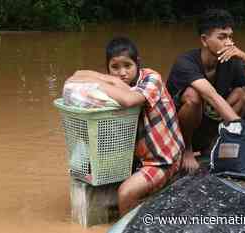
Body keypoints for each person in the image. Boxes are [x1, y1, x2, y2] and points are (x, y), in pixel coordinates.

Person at [66, 37, 185, 215]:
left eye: (127, 66)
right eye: (115, 67)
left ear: (138, 63)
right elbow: (75, 76)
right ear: (108, 68)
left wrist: (98, 83)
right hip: (136, 158)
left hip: (163, 160)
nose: (122, 73)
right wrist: (107, 80)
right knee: (90, 178)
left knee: (125, 193)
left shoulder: (152, 79)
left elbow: (129, 99)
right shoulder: (113, 84)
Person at [166, 9, 245, 174]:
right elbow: (211, 96)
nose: (229, 43)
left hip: (210, 127)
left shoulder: (231, 61)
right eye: (222, 37)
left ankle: (215, 145)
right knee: (193, 96)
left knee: (243, 95)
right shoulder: (185, 63)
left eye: (230, 37)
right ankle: (186, 150)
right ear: (204, 40)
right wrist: (244, 130)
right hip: (181, 131)